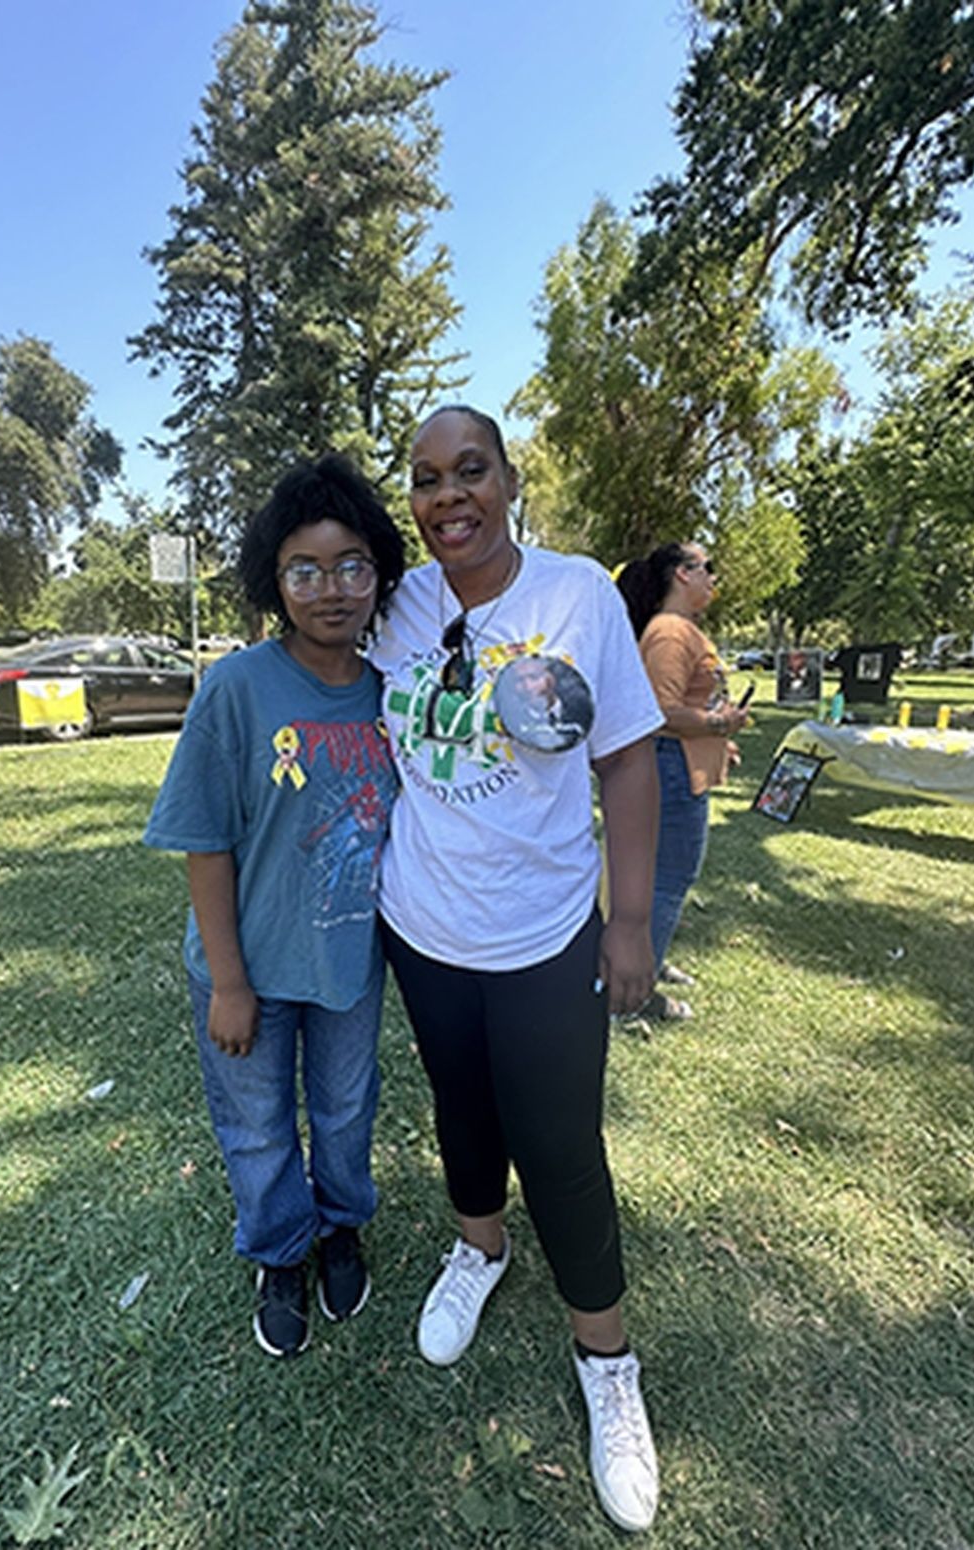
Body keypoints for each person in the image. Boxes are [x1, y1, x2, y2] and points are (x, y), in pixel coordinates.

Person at [369, 405, 665, 1533]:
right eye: (429, 479)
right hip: (423, 924)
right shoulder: (396, 606)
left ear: (507, 479)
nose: (451, 496)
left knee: (561, 1144)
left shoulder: (578, 593)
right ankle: (476, 1247)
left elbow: (630, 761)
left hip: (543, 932)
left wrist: (627, 921)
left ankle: (608, 1364)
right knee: (461, 1108)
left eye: (470, 472)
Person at [143, 454, 404, 1358]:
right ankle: (279, 1252)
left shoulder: (392, 694)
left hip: (348, 962)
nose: (329, 589)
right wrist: (227, 980)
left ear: (379, 576)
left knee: (344, 1110)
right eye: (304, 570)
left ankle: (340, 1230)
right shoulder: (236, 689)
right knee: (256, 1125)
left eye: (350, 567)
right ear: (274, 579)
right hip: (247, 963)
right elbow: (204, 838)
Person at [616, 544, 748, 1023]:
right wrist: (719, 725)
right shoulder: (670, 633)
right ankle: (634, 995)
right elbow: (658, 713)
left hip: (676, 763)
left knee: (661, 878)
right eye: (706, 567)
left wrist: (717, 734)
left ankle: (649, 958)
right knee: (671, 878)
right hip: (669, 768)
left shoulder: (680, 630)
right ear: (681, 574)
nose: (714, 576)